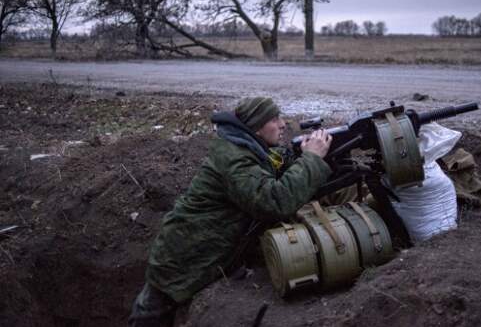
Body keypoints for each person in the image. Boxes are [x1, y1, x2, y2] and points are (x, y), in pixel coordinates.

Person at [129, 97, 333, 327]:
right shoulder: (235, 159)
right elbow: (274, 202)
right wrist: (311, 159)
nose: (283, 124)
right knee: (150, 315)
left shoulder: (244, 147)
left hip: (201, 249)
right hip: (185, 257)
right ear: (257, 126)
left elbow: (270, 171)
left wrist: (299, 156)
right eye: (274, 119)